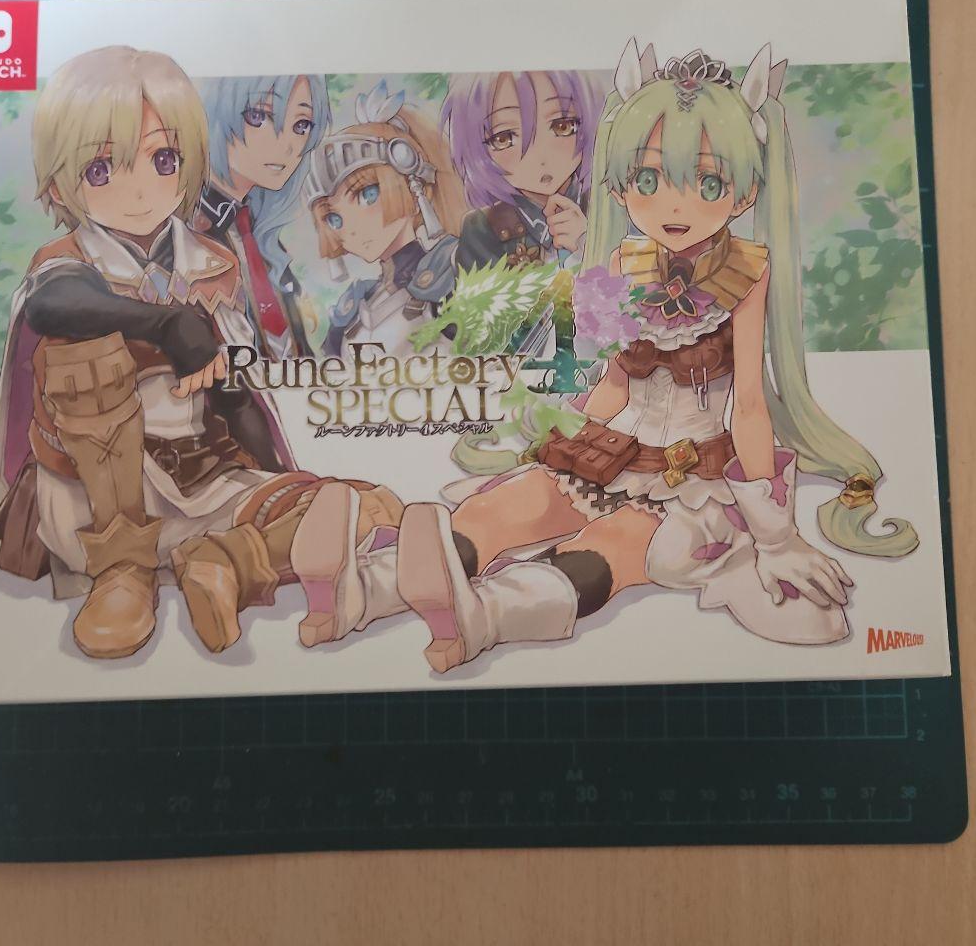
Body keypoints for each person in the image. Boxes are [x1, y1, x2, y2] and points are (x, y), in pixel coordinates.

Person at [289, 42, 917, 671]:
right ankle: (363, 589)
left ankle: (483, 615)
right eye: (648, 181)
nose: (673, 206)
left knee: (611, 544)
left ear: (746, 192)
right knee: (512, 504)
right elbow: (617, 377)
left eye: (707, 183)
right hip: (612, 446)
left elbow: (750, 403)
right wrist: (567, 430)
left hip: (690, 476)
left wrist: (776, 537)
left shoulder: (747, 273)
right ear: (621, 185)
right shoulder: (622, 261)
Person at [0, 46, 401, 661]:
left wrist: (281, 484)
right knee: (85, 355)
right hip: (94, 503)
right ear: (60, 177)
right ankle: (123, 574)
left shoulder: (212, 263)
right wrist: (164, 324)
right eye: (101, 168)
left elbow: (236, 395)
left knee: (365, 508)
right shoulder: (67, 262)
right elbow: (52, 305)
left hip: (203, 479)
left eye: (162, 160)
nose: (138, 189)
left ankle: (227, 561)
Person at [304, 81, 467, 357]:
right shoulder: (353, 306)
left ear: (417, 188)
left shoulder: (453, 274)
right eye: (334, 219)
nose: (352, 229)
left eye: (367, 195)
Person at [195, 74, 332, 358]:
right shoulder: (185, 231)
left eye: (301, 125)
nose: (287, 144)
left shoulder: (260, 234)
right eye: (259, 116)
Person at [442, 69, 604, 271]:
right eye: (504, 138)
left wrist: (587, 244)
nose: (540, 156)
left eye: (562, 126)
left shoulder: (611, 205)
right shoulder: (482, 228)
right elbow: (477, 291)